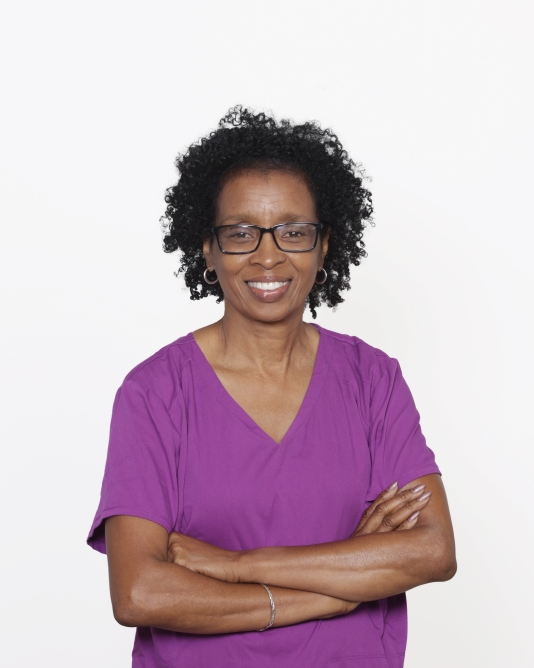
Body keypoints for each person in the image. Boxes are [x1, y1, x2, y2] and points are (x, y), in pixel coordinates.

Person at [88, 106, 456, 668]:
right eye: (240, 233)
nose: (268, 254)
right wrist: (334, 588)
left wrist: (239, 565)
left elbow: (432, 551)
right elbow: (140, 593)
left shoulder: (372, 378)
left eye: (293, 231)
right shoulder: (154, 393)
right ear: (207, 249)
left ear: (324, 244)